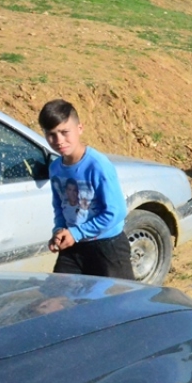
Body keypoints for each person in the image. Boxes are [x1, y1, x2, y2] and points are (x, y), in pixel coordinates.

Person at [38, 99, 134, 279]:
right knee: (61, 298)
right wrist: (59, 231)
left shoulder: (98, 166)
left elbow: (116, 212)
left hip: (108, 247)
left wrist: (77, 232)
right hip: (73, 246)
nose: (59, 140)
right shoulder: (55, 168)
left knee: (117, 302)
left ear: (80, 128)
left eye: (65, 132)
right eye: (51, 134)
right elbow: (60, 205)